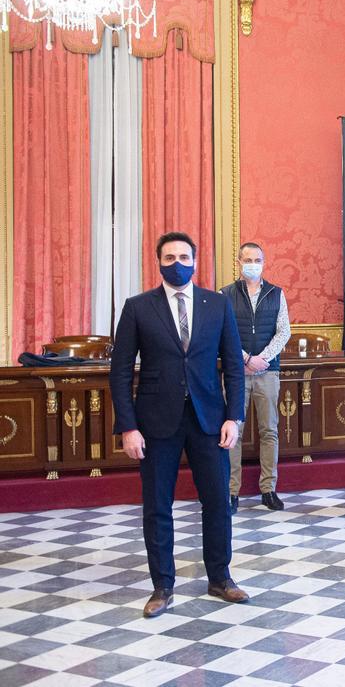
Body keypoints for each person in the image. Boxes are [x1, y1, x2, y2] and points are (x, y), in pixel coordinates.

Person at [109, 231, 247, 618]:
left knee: (218, 501)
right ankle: (162, 586)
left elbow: (234, 367)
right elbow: (120, 372)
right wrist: (128, 427)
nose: (177, 263)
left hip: (208, 419)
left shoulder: (216, 305)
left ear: (196, 261)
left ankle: (220, 578)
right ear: (158, 262)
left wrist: (234, 416)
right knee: (157, 506)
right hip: (154, 423)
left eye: (183, 256)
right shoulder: (138, 307)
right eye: (169, 257)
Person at [222, 242, 291, 513]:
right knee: (233, 432)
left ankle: (268, 489)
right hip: (237, 372)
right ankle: (231, 492)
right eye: (248, 259)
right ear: (238, 261)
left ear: (264, 262)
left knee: (269, 431)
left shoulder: (276, 293)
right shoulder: (225, 294)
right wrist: (247, 359)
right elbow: (222, 333)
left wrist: (262, 359)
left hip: (268, 372)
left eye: (258, 259)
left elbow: (283, 331)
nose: (253, 263)